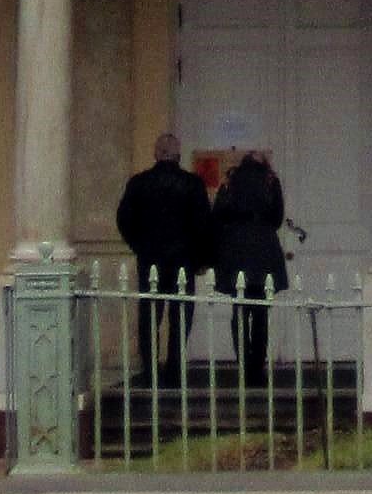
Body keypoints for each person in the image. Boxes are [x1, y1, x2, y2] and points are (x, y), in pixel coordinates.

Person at [114, 132, 214, 381]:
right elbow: (203, 225)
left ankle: (150, 369)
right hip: (183, 260)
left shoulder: (139, 183)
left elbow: (124, 219)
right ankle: (175, 368)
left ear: (156, 154)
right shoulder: (192, 184)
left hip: (151, 259)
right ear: (178, 155)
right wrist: (200, 258)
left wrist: (139, 244)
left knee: (150, 316)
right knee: (180, 317)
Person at [210, 145, 292, 383]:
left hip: (236, 250)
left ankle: (244, 363)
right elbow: (277, 217)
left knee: (239, 310)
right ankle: (257, 366)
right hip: (264, 250)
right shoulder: (270, 181)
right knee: (261, 312)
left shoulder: (230, 182)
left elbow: (219, 213)